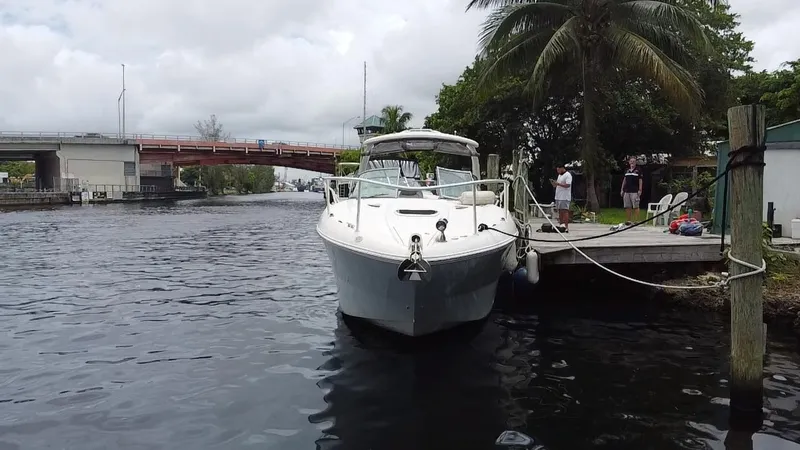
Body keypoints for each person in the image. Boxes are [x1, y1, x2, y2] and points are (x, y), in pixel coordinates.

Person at [620, 156, 643, 223]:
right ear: (629, 162)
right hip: (627, 191)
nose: (632, 162)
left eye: (634, 161)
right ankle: (629, 221)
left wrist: (640, 190)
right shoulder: (627, 170)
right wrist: (622, 189)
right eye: (631, 161)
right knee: (627, 206)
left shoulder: (638, 170)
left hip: (635, 191)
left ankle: (636, 221)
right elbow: (624, 180)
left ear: (635, 163)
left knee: (636, 206)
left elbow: (640, 180)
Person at [550, 164, 572, 232]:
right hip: (558, 196)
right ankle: (561, 225)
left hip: (564, 196)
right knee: (560, 211)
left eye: (558, 170)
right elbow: (557, 185)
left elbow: (568, 185)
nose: (558, 171)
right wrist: (554, 183)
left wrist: (558, 184)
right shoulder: (559, 175)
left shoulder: (568, 175)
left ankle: (566, 226)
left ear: (562, 168)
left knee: (565, 211)